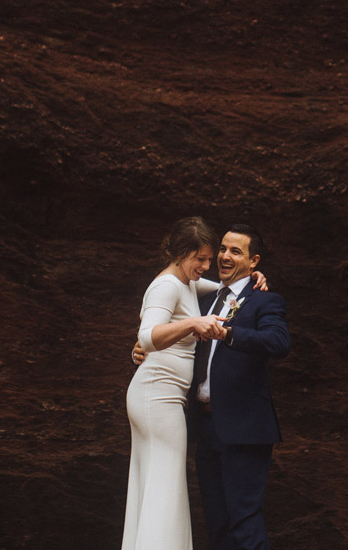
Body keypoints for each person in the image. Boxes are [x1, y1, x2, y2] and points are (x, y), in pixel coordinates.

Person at [134, 224, 290, 550]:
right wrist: (142, 347)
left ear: (254, 261)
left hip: (244, 426)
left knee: (244, 518)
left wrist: (230, 334)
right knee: (216, 519)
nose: (224, 256)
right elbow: (166, 327)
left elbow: (278, 342)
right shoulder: (204, 298)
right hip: (206, 425)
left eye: (236, 251)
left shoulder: (265, 301)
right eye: (222, 249)